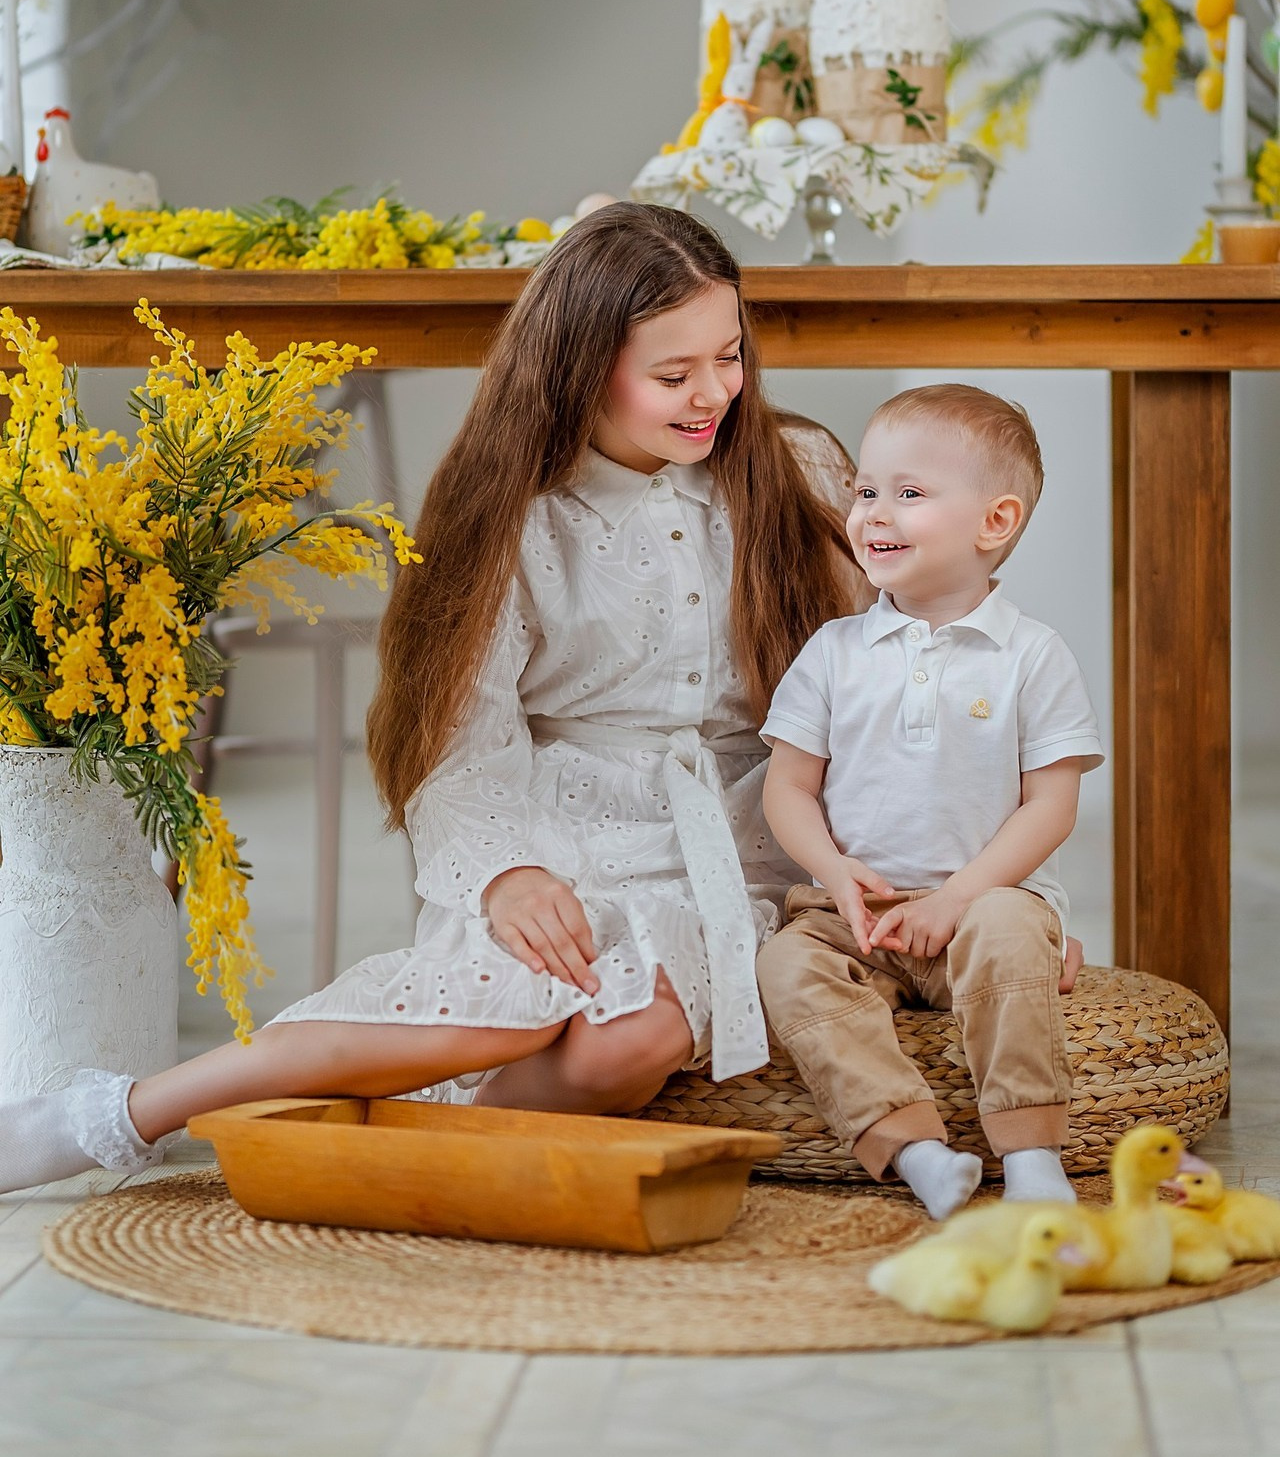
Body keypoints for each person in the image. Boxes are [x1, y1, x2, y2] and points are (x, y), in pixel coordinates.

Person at [0, 203, 869, 1194]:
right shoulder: (519, 516)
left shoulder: (799, 472)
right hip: (567, 829)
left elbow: (884, 669)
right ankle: (116, 1112)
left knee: (626, 1044)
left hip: (743, 839)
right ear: (582, 370)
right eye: (672, 376)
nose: (712, 393)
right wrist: (507, 873)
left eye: (729, 356)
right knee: (502, 1012)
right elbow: (459, 733)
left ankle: (385, 1157)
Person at [756, 383, 1102, 1222]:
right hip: (860, 915)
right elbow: (788, 786)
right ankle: (914, 1149)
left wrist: (957, 899)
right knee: (786, 966)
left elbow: (1050, 807)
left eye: (909, 493)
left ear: (995, 521)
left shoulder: (1031, 655)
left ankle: (1031, 1155)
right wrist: (832, 871)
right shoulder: (834, 651)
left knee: (1009, 932)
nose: (874, 512)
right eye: (866, 490)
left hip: (983, 901)